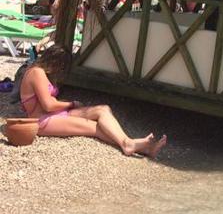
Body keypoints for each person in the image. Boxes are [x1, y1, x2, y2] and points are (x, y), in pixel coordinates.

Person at [18, 46, 167, 158]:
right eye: (62, 66)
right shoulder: (37, 72)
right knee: (95, 127)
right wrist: (71, 104)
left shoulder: (41, 72)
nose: (61, 70)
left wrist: (68, 105)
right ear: (55, 61)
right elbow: (48, 105)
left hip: (54, 115)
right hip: (42, 121)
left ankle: (133, 145)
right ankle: (133, 146)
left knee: (103, 109)